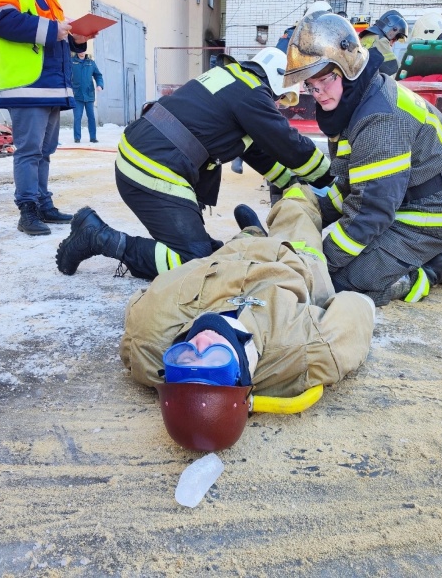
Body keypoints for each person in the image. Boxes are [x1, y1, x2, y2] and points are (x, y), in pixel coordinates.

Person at [120, 185, 375, 451]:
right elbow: (358, 309)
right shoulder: (308, 348)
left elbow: (138, 307)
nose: (200, 345)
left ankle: (250, 232)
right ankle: (289, 201)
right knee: (296, 205)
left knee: (239, 243)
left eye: (185, 359)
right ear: (241, 377)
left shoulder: (144, 338)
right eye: (215, 361)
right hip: (290, 257)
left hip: (226, 259)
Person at [55, 47, 331, 280]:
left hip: (146, 158)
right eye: (282, 98)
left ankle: (188, 242)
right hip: (153, 168)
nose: (280, 105)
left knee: (204, 249)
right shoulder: (252, 93)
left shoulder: (232, 80)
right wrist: (328, 179)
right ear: (277, 81)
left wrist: (292, 183)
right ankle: (98, 237)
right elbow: (289, 144)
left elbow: (257, 151)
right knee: (194, 263)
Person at [283, 12, 442, 307]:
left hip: (430, 212)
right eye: (310, 86)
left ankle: (431, 269)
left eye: (324, 80)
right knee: (337, 265)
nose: (318, 93)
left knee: (339, 286)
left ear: (348, 66)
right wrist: (313, 213)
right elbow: (354, 184)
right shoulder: (359, 98)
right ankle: (424, 254)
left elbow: (371, 212)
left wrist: (321, 262)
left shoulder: (379, 119)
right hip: (405, 200)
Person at [0, 0, 88, 236]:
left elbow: (57, 37)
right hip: (26, 83)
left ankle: (42, 204)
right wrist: (53, 29)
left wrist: (77, 39)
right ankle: (27, 210)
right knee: (29, 151)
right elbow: (0, 21)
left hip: (50, 84)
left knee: (45, 150)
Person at [359, 10, 408, 76]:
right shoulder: (381, 40)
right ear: (393, 30)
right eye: (395, 38)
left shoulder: (368, 36)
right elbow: (393, 68)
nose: (393, 43)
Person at [70, 50, 104, 143]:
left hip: (89, 94)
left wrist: (99, 85)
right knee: (77, 117)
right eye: (79, 49)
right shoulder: (71, 62)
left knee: (91, 117)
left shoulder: (91, 63)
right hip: (77, 94)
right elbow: (67, 76)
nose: (81, 52)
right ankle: (77, 138)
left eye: (83, 50)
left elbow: (98, 75)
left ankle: (93, 137)